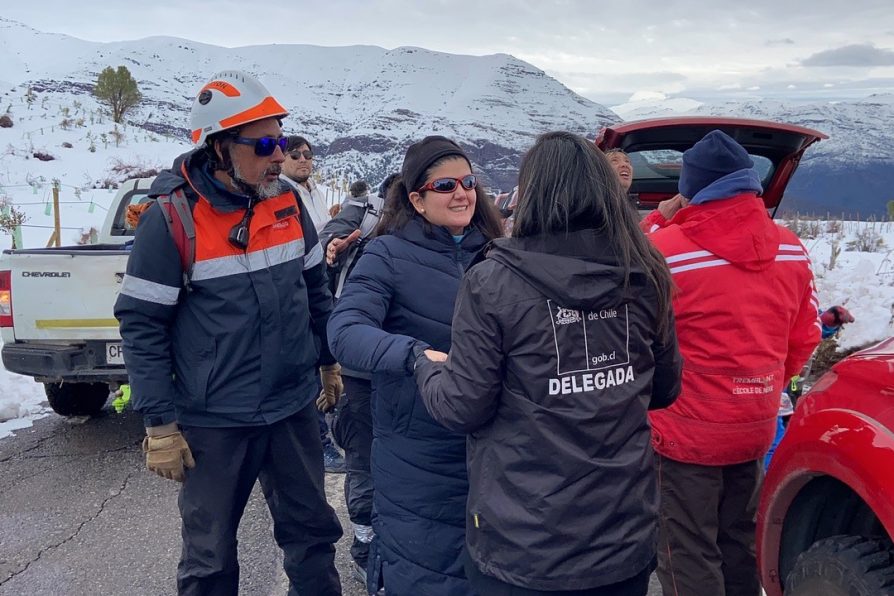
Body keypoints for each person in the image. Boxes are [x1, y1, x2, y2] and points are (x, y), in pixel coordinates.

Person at [412, 131, 681, 596]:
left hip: (525, 544)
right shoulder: (643, 271)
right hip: (622, 538)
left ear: (532, 194)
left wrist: (425, 365)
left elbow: (462, 407)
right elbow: (665, 388)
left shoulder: (493, 281)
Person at [114, 70, 343, 595]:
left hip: (290, 408)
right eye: (264, 144)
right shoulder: (172, 219)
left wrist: (327, 360)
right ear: (219, 147)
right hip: (215, 421)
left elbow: (315, 291)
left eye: (282, 141)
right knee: (210, 559)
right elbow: (142, 325)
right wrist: (159, 424)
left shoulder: (286, 202)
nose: (279, 156)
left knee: (312, 539)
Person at [640, 130, 821, 596]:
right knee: (739, 541)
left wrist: (657, 222)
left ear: (691, 188)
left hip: (684, 432)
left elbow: (635, 338)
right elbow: (806, 336)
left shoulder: (666, 253)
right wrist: (763, 384)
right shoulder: (791, 248)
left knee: (686, 552)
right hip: (755, 422)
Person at [327, 136, 504, 595]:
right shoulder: (387, 255)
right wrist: (412, 355)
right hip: (419, 450)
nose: (462, 193)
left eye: (468, 182)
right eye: (445, 185)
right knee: (428, 570)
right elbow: (345, 329)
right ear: (417, 200)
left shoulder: (502, 252)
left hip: (497, 447)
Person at [319, 174, 395, 588]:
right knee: (365, 466)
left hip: (386, 378)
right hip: (365, 379)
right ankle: (365, 548)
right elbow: (342, 315)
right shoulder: (362, 234)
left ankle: (380, 550)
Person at [280, 134, 347, 474]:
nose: (304, 159)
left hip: (321, 284)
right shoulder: (281, 194)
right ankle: (319, 444)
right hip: (298, 291)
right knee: (308, 367)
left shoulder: (312, 192)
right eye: (296, 155)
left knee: (322, 361)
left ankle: (323, 435)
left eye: (308, 154)